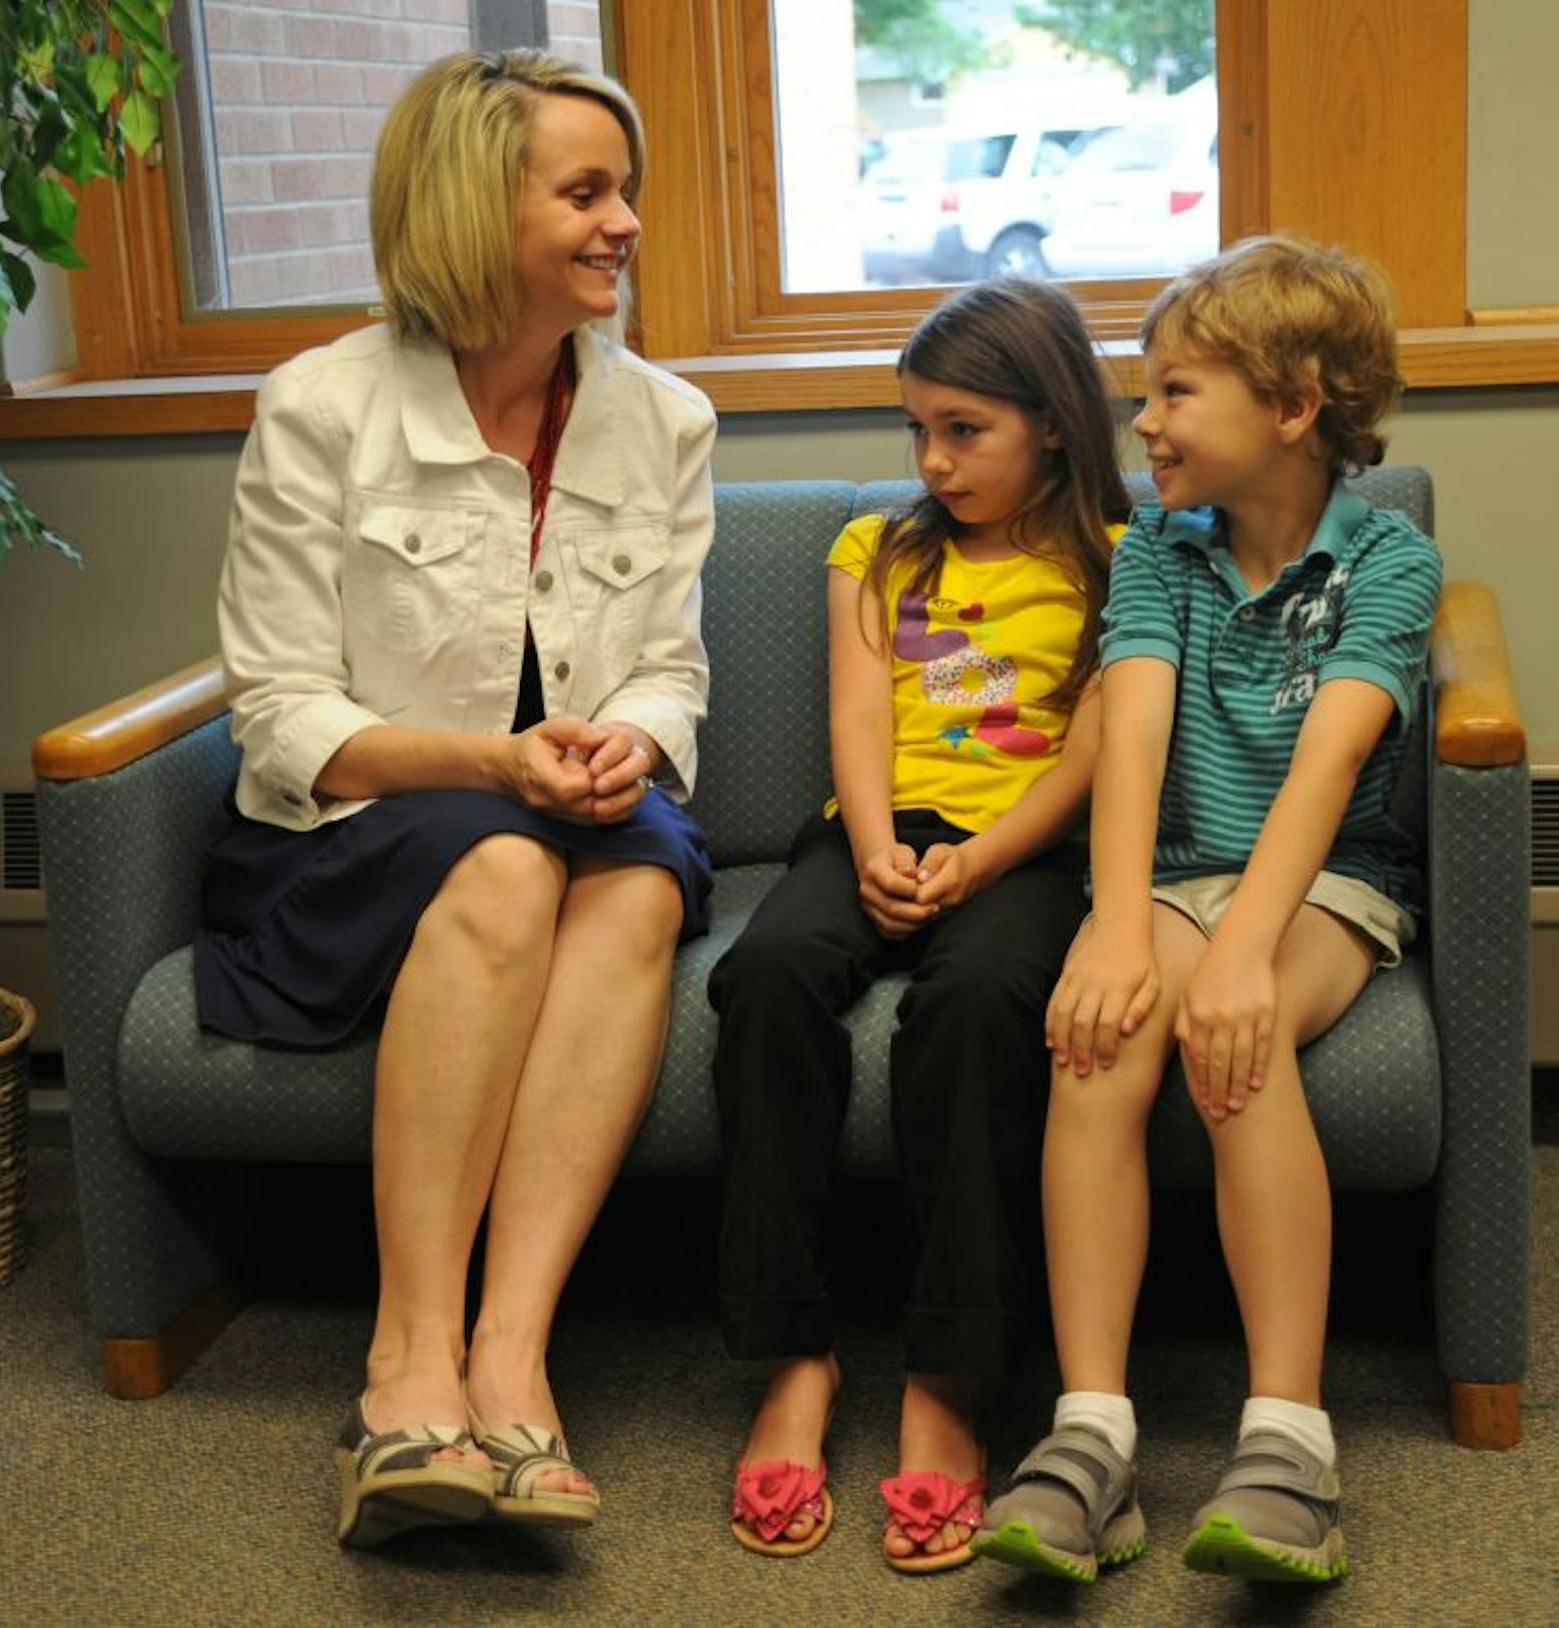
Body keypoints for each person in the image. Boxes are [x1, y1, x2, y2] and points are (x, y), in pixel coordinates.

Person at [192, 49, 717, 1549]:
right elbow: (283, 714)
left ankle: (513, 1356)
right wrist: (492, 765)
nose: (625, 223)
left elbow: (670, 669)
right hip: (360, 833)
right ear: (474, 210)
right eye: (586, 192)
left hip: (573, 820)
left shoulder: (666, 420)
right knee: (505, 866)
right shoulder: (319, 407)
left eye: (628, 192)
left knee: (632, 871)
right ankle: (407, 1356)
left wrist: (630, 740)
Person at [973, 236, 1441, 1586]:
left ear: (1293, 408)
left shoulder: (1389, 563)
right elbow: (1130, 739)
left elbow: (1333, 761)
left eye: (1177, 392)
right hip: (1178, 872)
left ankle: (1291, 1438)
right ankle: (1092, 1435)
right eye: (1146, 394)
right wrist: (1120, 924)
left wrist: (1243, 955)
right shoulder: (1160, 556)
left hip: (1325, 882)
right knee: (1098, 1046)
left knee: (1236, 1055)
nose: (1147, 424)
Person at [709, 280, 1127, 1572]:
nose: (934, 462)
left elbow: (1094, 757)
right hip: (881, 826)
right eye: (918, 434)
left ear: (1052, 424)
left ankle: (948, 1382)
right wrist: (884, 846)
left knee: (977, 1008)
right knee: (767, 974)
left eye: (965, 432)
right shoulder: (875, 553)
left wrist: (982, 861)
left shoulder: (1119, 550)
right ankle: (794, 1356)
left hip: (1029, 853)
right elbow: (859, 716)